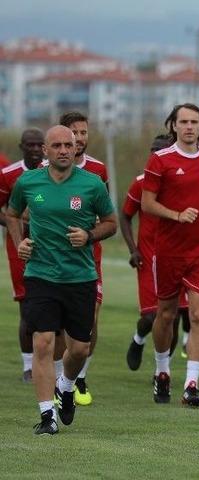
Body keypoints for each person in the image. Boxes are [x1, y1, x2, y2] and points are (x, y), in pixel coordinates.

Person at [6, 125, 116, 435]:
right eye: (57, 145)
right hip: (41, 274)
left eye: (69, 144)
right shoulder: (28, 182)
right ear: (45, 150)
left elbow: (111, 223)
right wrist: (19, 243)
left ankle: (65, 386)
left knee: (79, 348)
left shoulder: (92, 184)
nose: (65, 150)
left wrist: (89, 235)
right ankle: (47, 416)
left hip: (80, 276)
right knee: (43, 342)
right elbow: (12, 214)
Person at [141, 103, 199, 407]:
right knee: (165, 314)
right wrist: (176, 215)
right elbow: (147, 204)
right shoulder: (160, 160)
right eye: (184, 122)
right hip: (168, 251)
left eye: (195, 122)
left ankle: (192, 383)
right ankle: (162, 371)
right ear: (173, 126)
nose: (190, 127)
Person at [120, 135, 189, 370]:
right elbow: (125, 216)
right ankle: (138, 339)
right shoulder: (140, 183)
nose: (155, 155)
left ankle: (163, 371)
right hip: (149, 259)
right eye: (153, 151)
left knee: (173, 319)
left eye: (160, 151)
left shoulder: (182, 183)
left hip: (177, 259)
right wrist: (133, 249)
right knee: (151, 317)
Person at [54, 111, 108, 406]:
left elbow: (106, 214)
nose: (79, 138)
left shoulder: (98, 170)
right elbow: (27, 209)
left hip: (89, 257)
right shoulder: (44, 172)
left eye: (84, 132)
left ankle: (78, 376)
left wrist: (91, 230)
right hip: (53, 258)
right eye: (74, 132)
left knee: (92, 317)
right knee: (58, 323)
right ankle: (59, 378)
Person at [0, 128, 45, 383]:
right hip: (19, 247)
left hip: (50, 247)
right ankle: (28, 365)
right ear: (22, 147)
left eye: (40, 144)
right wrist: (16, 224)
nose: (36, 149)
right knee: (27, 306)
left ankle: (52, 359)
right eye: (31, 145)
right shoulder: (9, 175)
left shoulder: (53, 172)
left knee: (51, 303)